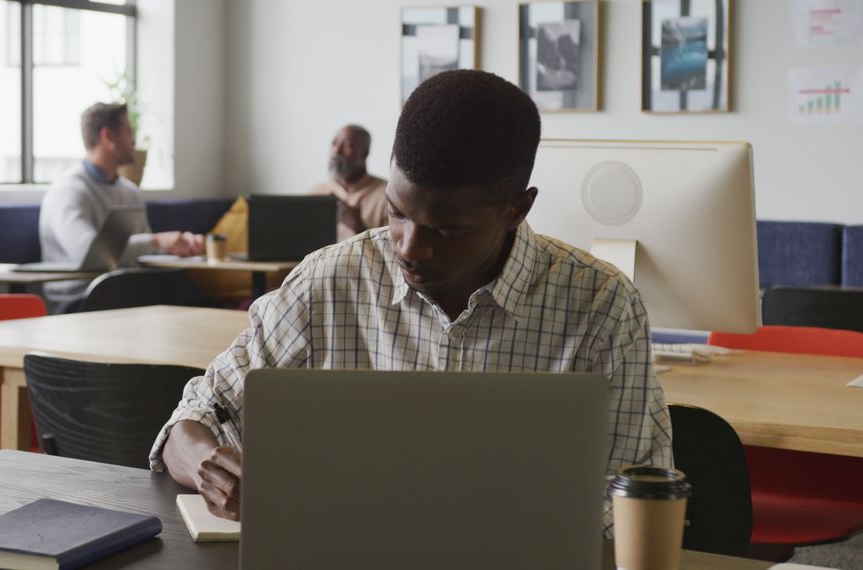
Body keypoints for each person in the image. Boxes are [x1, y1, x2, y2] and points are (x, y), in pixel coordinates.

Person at [150, 70, 672, 535]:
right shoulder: (330, 281)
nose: (409, 249)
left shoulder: (601, 304)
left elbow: (631, 491)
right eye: (397, 213)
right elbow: (192, 418)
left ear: (517, 209)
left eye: (447, 231)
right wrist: (205, 464)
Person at [39, 102, 203, 312]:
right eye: (128, 131)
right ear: (108, 136)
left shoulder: (129, 192)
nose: (134, 140)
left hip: (124, 291)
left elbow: (144, 254)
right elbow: (90, 254)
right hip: (80, 298)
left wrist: (178, 248)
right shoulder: (69, 191)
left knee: (187, 292)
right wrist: (157, 241)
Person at [309, 124, 388, 241]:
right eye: (334, 143)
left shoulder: (387, 195)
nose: (336, 151)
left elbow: (390, 253)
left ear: (364, 153)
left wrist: (357, 225)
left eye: (347, 145)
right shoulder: (316, 193)